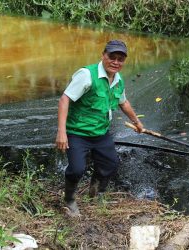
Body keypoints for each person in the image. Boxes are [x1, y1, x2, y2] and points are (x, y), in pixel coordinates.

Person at [55, 40, 144, 216]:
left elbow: (123, 102)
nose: (116, 62)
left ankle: (95, 192)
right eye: (112, 57)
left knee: (110, 163)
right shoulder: (87, 74)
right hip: (77, 132)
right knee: (77, 169)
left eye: (120, 59)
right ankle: (69, 200)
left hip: (101, 132)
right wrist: (61, 132)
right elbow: (65, 99)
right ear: (103, 55)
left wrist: (136, 122)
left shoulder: (118, 80)